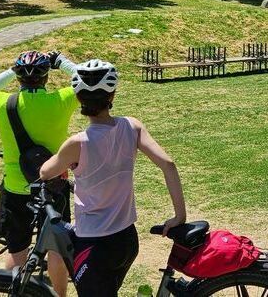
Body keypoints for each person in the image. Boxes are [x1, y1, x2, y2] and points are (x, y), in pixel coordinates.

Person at [40, 59, 187, 297]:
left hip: (93, 243)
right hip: (126, 239)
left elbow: (45, 172)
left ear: (78, 98)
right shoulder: (132, 126)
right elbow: (168, 165)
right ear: (113, 94)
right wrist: (179, 216)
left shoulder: (77, 143)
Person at [0, 50, 78, 297]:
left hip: (15, 187)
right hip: (53, 185)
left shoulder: (4, 103)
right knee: (56, 250)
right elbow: (85, 80)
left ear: (19, 77)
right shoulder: (61, 100)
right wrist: (61, 62)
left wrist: (10, 70)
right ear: (46, 77)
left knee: (17, 249)